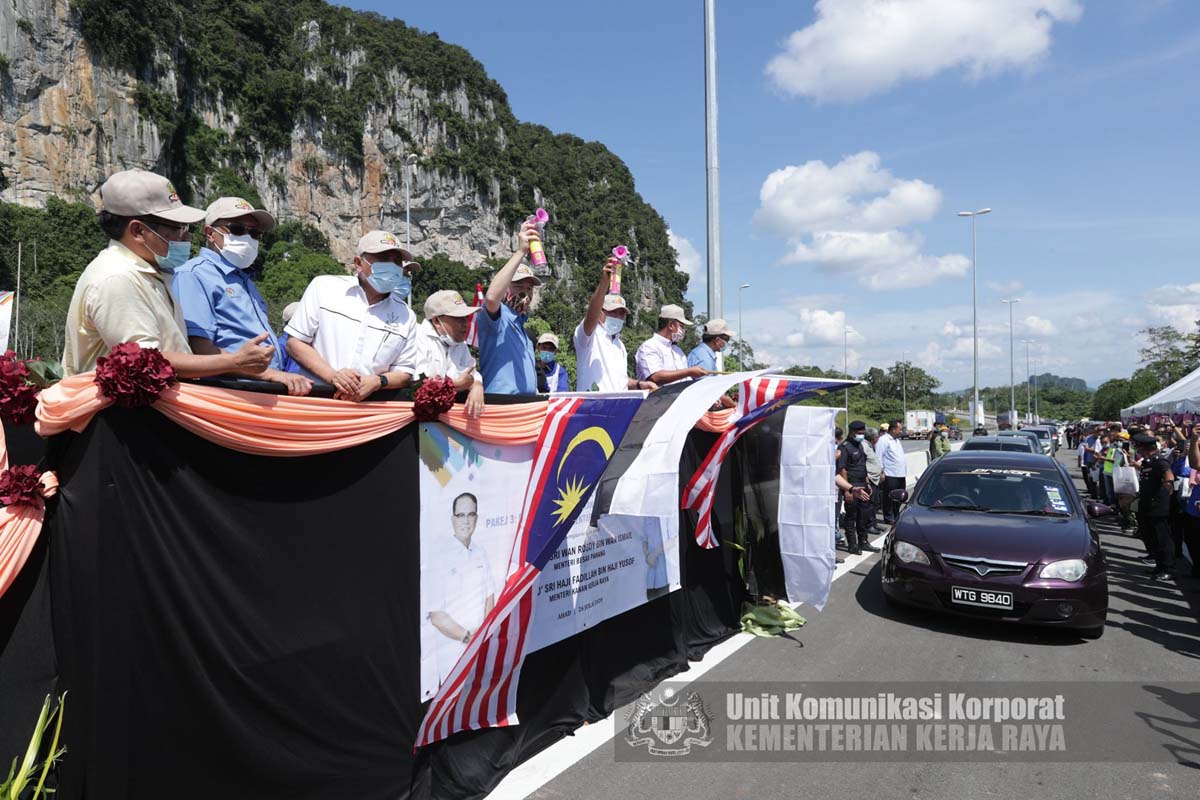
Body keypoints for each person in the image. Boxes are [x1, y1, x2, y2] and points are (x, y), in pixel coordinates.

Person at [63, 169, 276, 379]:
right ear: (138, 231)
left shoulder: (153, 273)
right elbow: (146, 360)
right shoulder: (117, 278)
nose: (186, 238)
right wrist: (236, 361)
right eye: (177, 228)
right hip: (121, 411)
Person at [172, 197, 311, 396]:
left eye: (254, 233)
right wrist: (268, 374)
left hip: (263, 388)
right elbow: (199, 347)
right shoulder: (193, 274)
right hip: (231, 391)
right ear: (210, 233)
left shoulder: (244, 279)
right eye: (237, 229)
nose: (248, 238)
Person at [285, 230, 419, 401]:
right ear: (359, 263)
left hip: (369, 412)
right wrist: (333, 376)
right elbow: (295, 342)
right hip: (317, 402)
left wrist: (378, 381)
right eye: (384, 258)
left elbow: (405, 372)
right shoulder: (324, 287)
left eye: (397, 261)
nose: (392, 266)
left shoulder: (406, 315)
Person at [427, 492, 496, 686]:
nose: (466, 521)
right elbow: (436, 615)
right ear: (452, 519)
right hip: (453, 656)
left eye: (470, 514)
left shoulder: (480, 552)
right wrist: (467, 638)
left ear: (476, 518)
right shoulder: (439, 556)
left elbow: (490, 598)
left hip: (480, 650)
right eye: (460, 515)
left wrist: (482, 635)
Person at [477, 221, 542, 395]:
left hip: (524, 407)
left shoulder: (524, 331)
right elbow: (491, 298)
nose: (525, 293)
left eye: (529, 288)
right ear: (506, 287)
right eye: (518, 286)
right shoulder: (497, 318)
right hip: (501, 407)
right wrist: (521, 251)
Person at [573, 260, 656, 392]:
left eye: (621, 314)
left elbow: (620, 381)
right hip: (590, 408)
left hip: (616, 407)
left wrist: (640, 384)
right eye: (612, 312)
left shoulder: (620, 345)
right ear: (601, 313)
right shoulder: (589, 336)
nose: (618, 317)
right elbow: (592, 312)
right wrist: (605, 282)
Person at [414, 289, 485, 417]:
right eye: (458, 318)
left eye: (465, 318)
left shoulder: (460, 344)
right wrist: (456, 385)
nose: (465, 323)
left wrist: (477, 386)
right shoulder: (417, 337)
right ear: (436, 321)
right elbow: (419, 383)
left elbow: (472, 373)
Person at [1134, 433, 1175, 581]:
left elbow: (1168, 473)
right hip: (1147, 505)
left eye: (1137, 446)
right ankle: (1159, 566)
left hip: (1157, 506)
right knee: (1153, 538)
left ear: (1143, 447)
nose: (1136, 449)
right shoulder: (1148, 461)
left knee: (1162, 537)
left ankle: (1168, 568)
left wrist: (1168, 483)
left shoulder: (1159, 461)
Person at [635, 305, 709, 386]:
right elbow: (655, 377)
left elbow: (685, 380)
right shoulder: (649, 347)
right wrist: (689, 372)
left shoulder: (678, 351)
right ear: (671, 325)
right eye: (681, 326)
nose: (683, 331)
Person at [837, 421, 879, 555]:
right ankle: (853, 544)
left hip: (863, 484)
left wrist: (867, 482)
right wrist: (847, 490)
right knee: (851, 516)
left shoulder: (860, 445)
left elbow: (862, 465)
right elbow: (842, 469)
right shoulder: (845, 447)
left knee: (864, 516)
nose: (861, 435)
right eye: (859, 433)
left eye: (863, 433)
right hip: (852, 486)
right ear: (851, 432)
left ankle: (864, 541)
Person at [877, 420, 907, 525]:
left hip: (900, 473)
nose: (901, 431)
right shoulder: (884, 440)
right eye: (899, 429)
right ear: (893, 429)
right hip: (890, 474)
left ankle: (896, 514)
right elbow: (879, 457)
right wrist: (881, 472)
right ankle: (889, 517)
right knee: (889, 497)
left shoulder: (896, 440)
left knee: (900, 497)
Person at [862, 427, 883, 533]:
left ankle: (874, 523)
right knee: (869, 505)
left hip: (875, 479)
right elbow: (862, 464)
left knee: (875, 503)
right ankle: (869, 525)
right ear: (874, 437)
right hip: (869, 480)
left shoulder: (870, 446)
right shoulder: (864, 446)